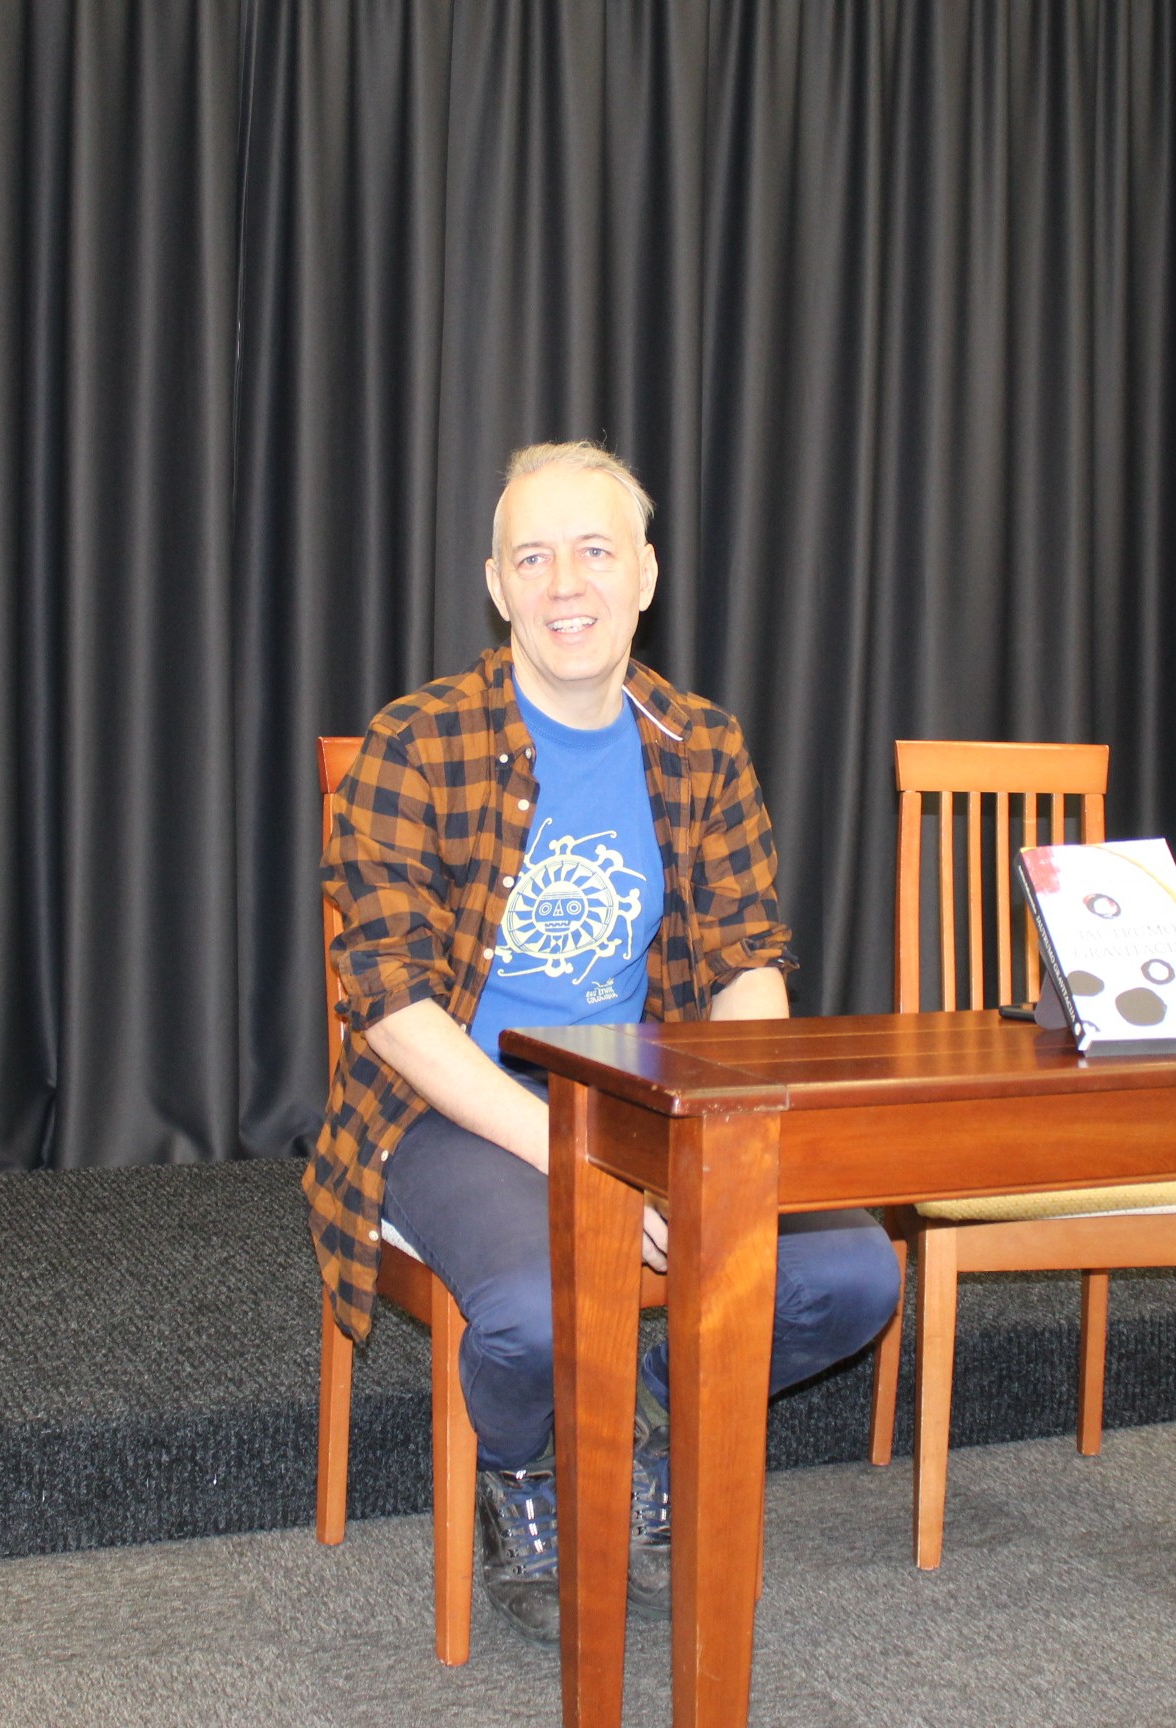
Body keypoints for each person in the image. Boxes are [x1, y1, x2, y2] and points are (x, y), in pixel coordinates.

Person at [304, 441, 900, 1645]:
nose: (565, 583)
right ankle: (525, 1470)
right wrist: (572, 1157)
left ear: (645, 575)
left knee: (851, 1277)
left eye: (593, 551)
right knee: (536, 1309)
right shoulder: (415, 743)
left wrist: (716, 1124)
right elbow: (392, 1007)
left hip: (641, 1093)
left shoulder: (700, 744)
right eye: (532, 557)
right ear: (495, 585)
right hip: (452, 1106)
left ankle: (651, 1428)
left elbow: (747, 961)